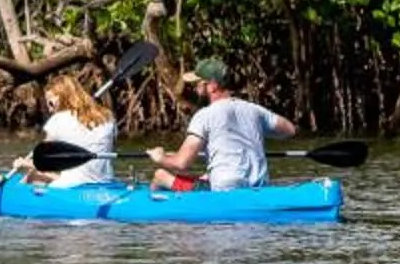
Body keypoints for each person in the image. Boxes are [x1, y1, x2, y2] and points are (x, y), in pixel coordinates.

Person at [148, 57, 293, 191]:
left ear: (212, 86)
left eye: (198, 84)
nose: (195, 88)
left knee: (160, 174)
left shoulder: (204, 116)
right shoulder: (255, 110)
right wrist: (255, 128)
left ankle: (153, 205)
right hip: (259, 187)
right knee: (206, 177)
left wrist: (161, 157)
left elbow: (181, 163)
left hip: (225, 191)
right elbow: (289, 130)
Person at [18, 71, 119, 187]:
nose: (50, 110)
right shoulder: (108, 116)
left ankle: (13, 193)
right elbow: (111, 149)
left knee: (32, 175)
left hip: (72, 186)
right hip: (106, 182)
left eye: (51, 103)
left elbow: (43, 161)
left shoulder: (58, 120)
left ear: (63, 97)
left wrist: (25, 163)